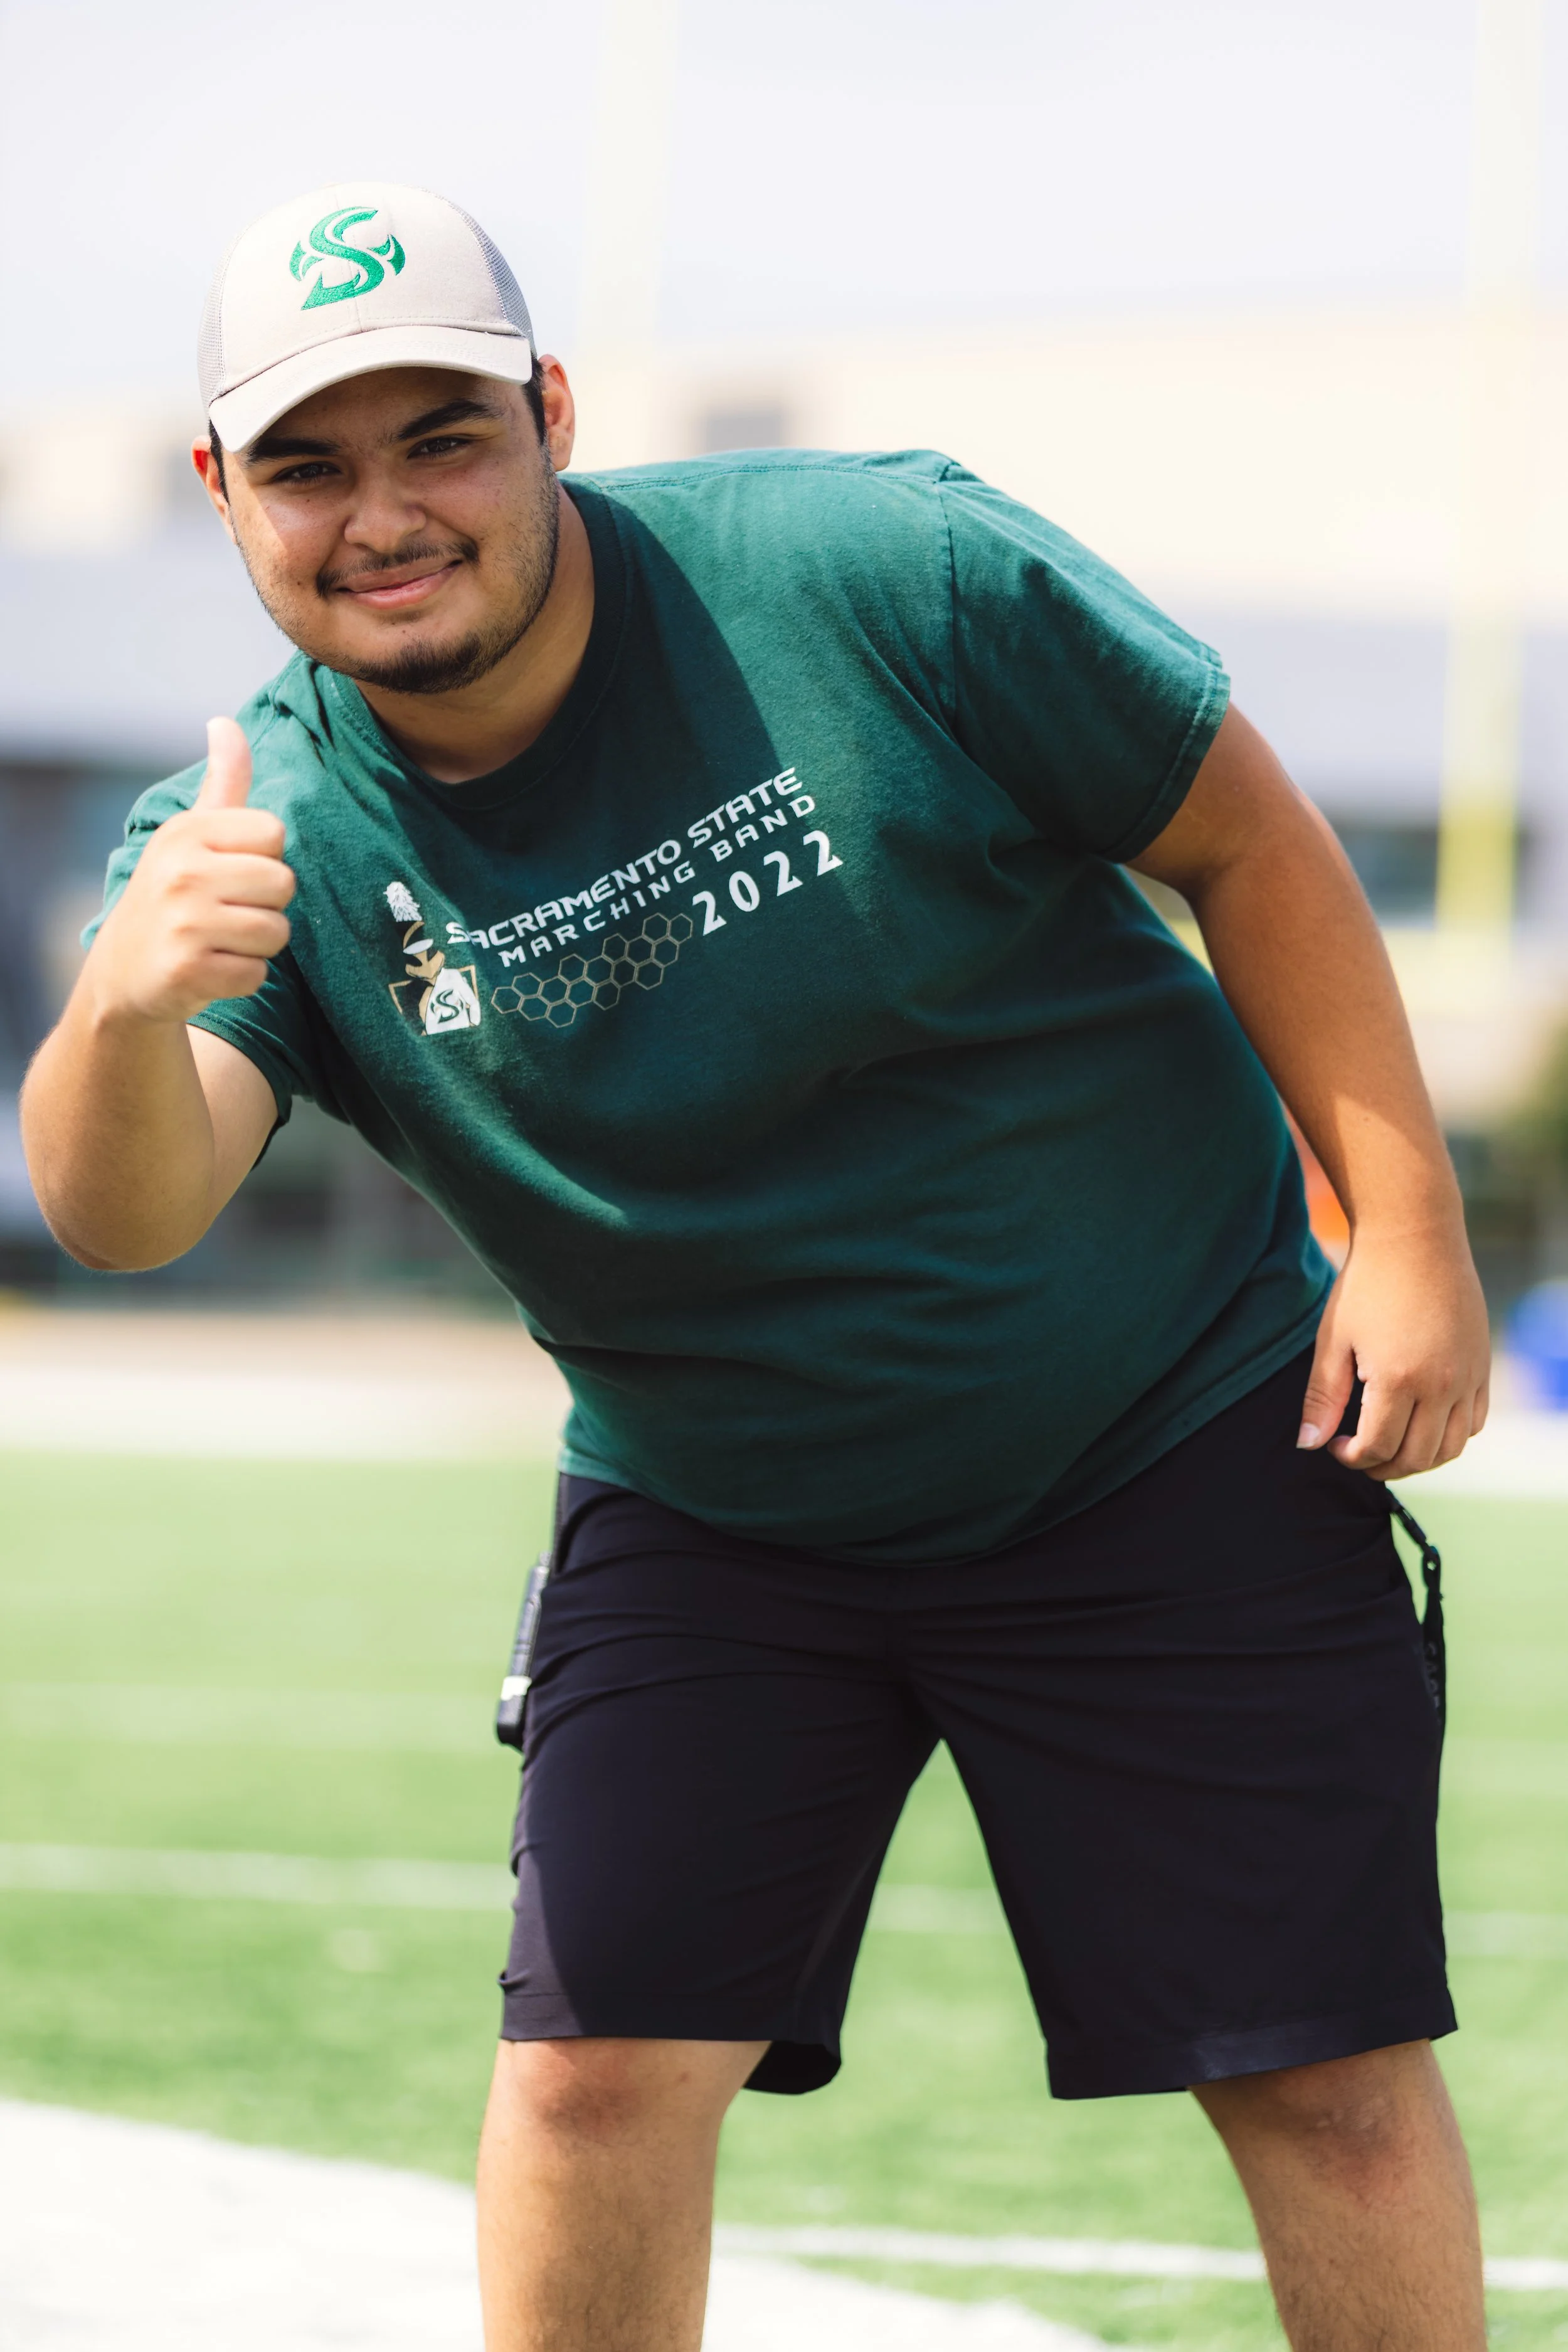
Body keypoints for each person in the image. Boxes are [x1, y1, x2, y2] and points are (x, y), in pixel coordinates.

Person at [21, 181, 1491, 2352]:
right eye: (309, 465)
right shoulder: (256, 830)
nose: (384, 514)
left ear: (551, 417)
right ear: (223, 491)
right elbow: (126, 1209)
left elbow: (1240, 832)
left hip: (1162, 1419)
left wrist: (1407, 1231)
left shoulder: (875, 565)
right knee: (593, 2077)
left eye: (441, 438)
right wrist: (124, 1006)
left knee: (1319, 2078)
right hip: (718, 1506)